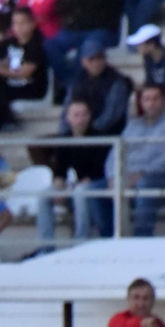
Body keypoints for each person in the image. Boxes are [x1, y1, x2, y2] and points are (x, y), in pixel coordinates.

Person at [46, 0, 123, 92]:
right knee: (49, 45)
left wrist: (76, 0)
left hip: (100, 29)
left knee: (86, 49)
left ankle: (73, 87)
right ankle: (67, 81)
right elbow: (61, 5)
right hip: (73, 30)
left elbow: (104, 3)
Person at [40, 98, 113, 243]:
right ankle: (46, 246)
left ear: (90, 116)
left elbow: (99, 171)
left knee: (80, 191)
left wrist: (76, 185)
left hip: (98, 184)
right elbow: (60, 171)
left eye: (84, 114)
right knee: (43, 195)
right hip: (77, 184)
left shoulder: (100, 138)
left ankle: (80, 241)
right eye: (76, 115)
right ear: (68, 117)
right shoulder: (64, 140)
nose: (81, 119)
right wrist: (59, 187)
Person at [120, 82, 165, 236]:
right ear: (141, 102)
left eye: (156, 99)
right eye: (147, 99)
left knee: (145, 185)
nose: (151, 103)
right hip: (129, 177)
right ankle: (107, 239)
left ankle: (142, 239)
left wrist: (141, 174)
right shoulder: (133, 125)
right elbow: (116, 153)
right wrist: (114, 175)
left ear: (164, 101)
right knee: (91, 189)